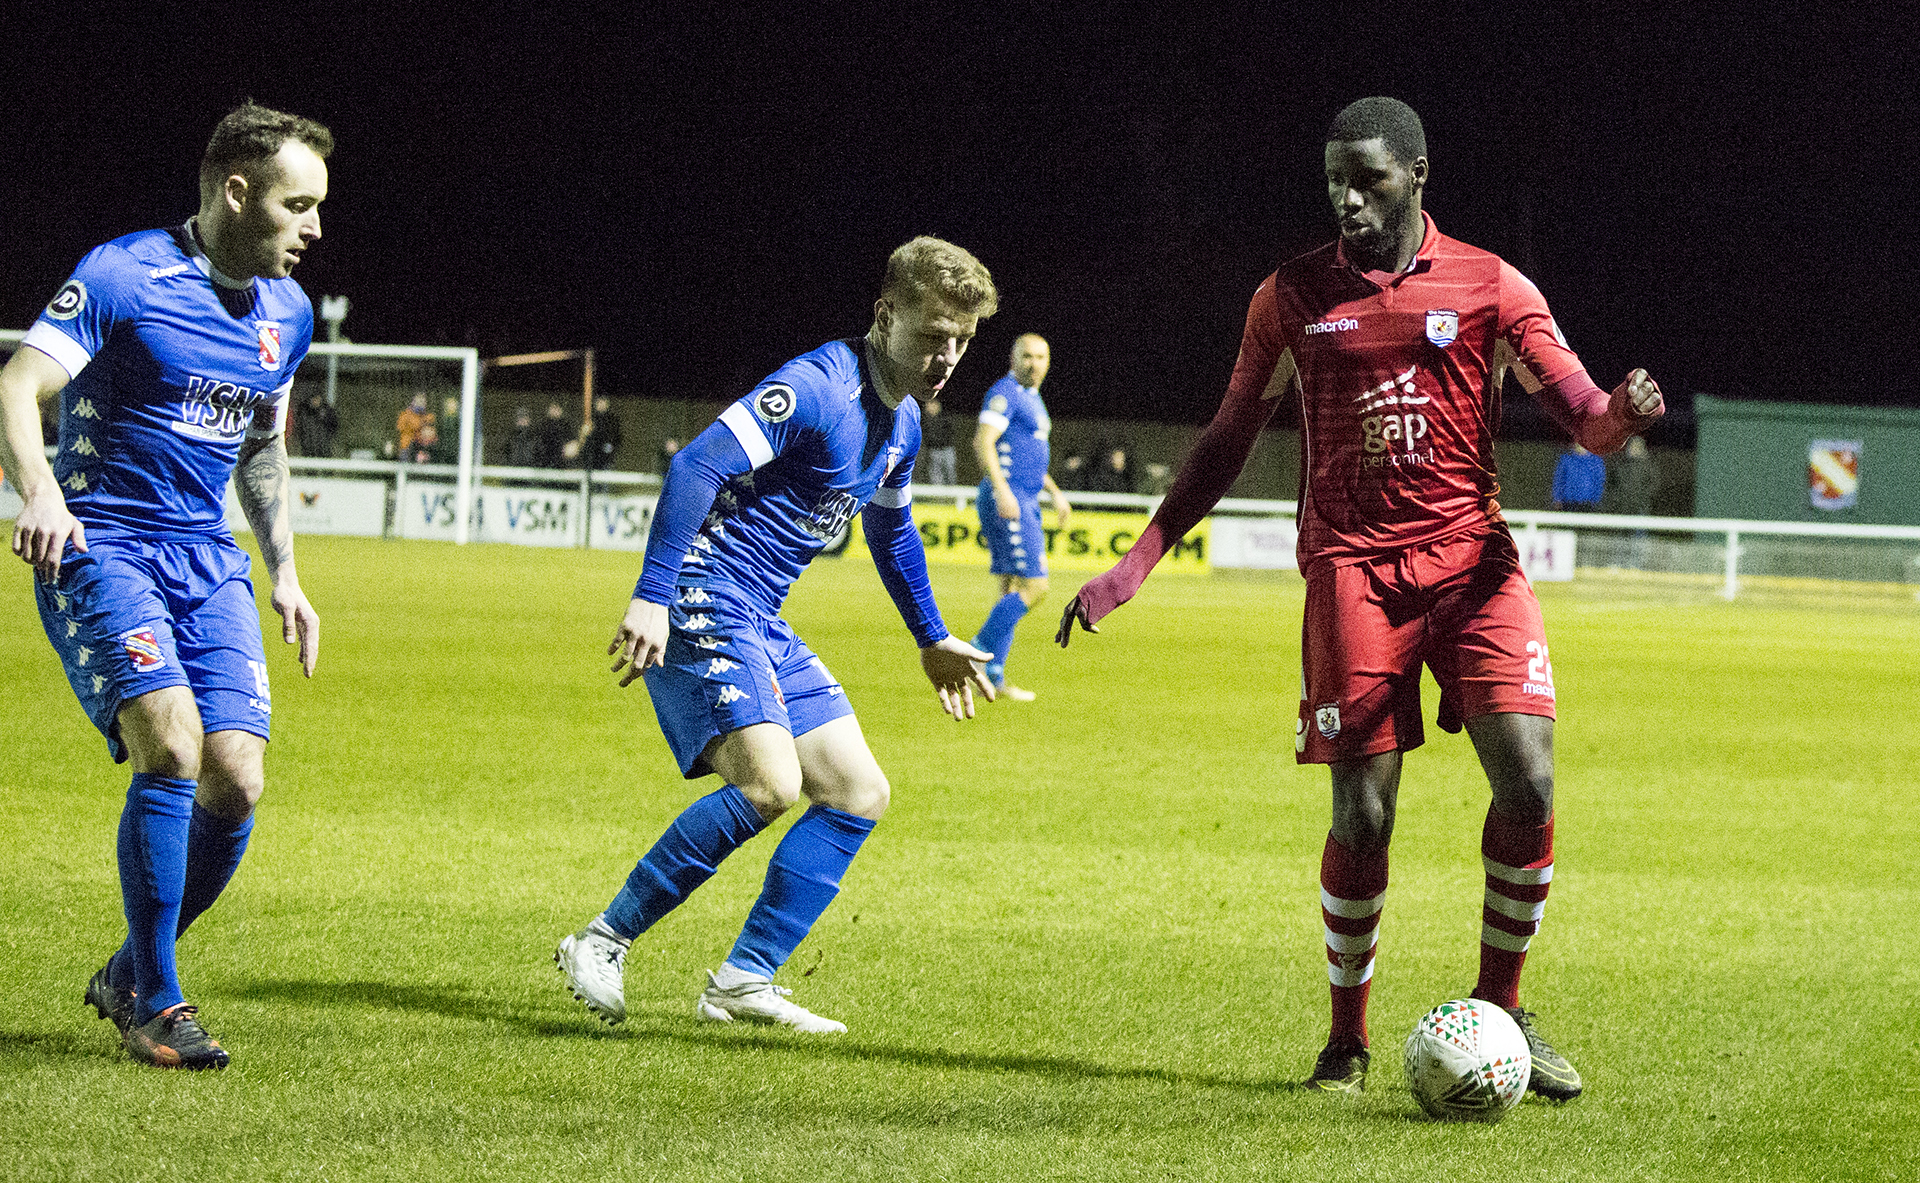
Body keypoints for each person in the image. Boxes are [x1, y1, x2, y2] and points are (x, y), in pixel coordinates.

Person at [1056, 97, 1664, 1100]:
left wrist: (1624, 417)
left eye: (1369, 178)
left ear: (1419, 175)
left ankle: (1503, 1006)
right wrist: (1135, 563)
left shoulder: (1492, 286)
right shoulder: (1290, 297)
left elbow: (1584, 416)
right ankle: (1347, 1041)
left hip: (1474, 567)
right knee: (1365, 813)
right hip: (1351, 576)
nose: (1347, 196)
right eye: (1335, 177)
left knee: (1531, 781)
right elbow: (1224, 438)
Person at [553, 235, 999, 1033]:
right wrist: (652, 596)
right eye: (934, 335)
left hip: (760, 615)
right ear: (885, 314)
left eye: (962, 342)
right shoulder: (818, 386)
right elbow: (695, 465)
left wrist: (931, 636)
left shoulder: (900, 425)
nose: (947, 357)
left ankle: (742, 979)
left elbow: (891, 536)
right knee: (769, 784)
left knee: (859, 791)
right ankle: (601, 940)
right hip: (703, 589)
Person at [0, 101, 328, 1070]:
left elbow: (259, 451)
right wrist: (42, 493)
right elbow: (18, 386)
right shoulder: (123, 274)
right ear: (237, 192)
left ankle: (127, 971)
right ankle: (161, 1001)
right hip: (101, 546)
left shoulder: (288, 313)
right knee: (173, 748)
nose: (315, 227)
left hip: (206, 558)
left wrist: (287, 576)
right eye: (297, 205)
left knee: (237, 777)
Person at [970, 333, 1071, 701]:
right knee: (1036, 586)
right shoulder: (1006, 393)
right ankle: (976, 652)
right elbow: (983, 441)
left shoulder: (1032, 398)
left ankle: (992, 676)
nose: (1034, 363)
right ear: (1013, 358)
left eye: (1041, 356)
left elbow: (1029, 455)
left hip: (1024, 496)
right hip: (1010, 499)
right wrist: (1002, 489)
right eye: (1026, 356)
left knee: (1011, 589)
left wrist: (1055, 493)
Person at [1551, 443, 1605, 511]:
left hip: (1588, 503)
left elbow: (1599, 481)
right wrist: (1557, 499)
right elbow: (1559, 480)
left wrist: (1596, 500)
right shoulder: (1566, 460)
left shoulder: (1596, 461)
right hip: (1568, 502)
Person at [918, 396, 957, 485]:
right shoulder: (924, 421)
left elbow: (950, 433)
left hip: (947, 449)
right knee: (936, 476)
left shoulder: (944, 417)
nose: (929, 407)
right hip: (934, 451)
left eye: (931, 405)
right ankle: (939, 498)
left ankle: (952, 495)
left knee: (950, 474)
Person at [582, 394, 623, 470]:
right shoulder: (590, 420)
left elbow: (615, 439)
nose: (601, 404)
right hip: (591, 461)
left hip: (606, 460)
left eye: (603, 402)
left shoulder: (612, 421)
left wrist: (610, 450)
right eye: (599, 402)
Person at [295, 389, 337, 459]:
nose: (315, 402)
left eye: (317, 399)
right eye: (314, 399)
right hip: (308, 447)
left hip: (323, 447)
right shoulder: (304, 412)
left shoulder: (327, 412)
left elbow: (333, 426)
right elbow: (301, 428)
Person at [536, 400, 570, 468]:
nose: (554, 411)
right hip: (545, 466)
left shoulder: (566, 428)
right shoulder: (543, 427)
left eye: (557, 408)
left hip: (561, 466)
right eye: (552, 408)